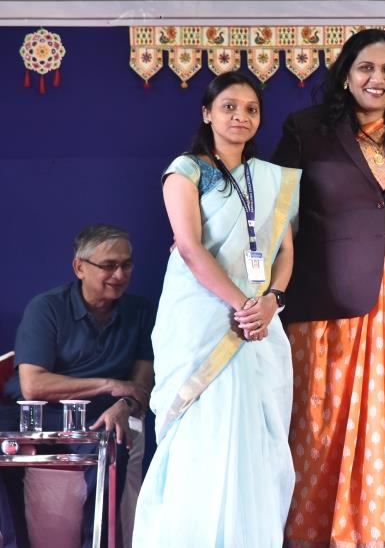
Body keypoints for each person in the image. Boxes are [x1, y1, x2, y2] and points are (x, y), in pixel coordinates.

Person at [272, 28, 385, 548]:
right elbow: (276, 212)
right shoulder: (306, 130)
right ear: (346, 75)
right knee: (320, 429)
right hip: (326, 305)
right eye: (366, 67)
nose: (377, 78)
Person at [132, 71, 300, 546]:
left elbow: (286, 251)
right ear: (207, 113)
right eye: (229, 107)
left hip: (259, 324)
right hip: (204, 321)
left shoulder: (270, 179)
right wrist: (243, 304)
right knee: (200, 435)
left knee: (258, 439)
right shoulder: (185, 170)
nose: (240, 116)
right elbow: (189, 248)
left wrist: (272, 300)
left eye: (251, 109)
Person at [1, 224, 153, 548]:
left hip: (97, 417)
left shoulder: (140, 312)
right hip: (33, 414)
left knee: (113, 442)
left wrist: (124, 405)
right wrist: (110, 384)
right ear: (79, 267)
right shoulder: (47, 307)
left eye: (126, 264)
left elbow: (141, 386)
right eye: (109, 265)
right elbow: (33, 385)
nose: (119, 275)